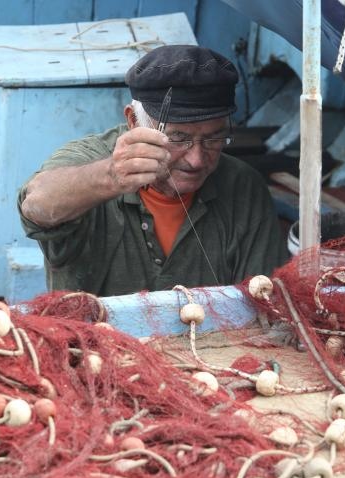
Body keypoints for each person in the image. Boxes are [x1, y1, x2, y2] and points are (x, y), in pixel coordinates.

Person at [18, 45, 288, 296]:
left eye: (213, 139)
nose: (195, 160)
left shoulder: (243, 186)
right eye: (178, 137)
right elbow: (36, 206)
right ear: (134, 121)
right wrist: (111, 176)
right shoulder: (90, 160)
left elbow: (262, 301)